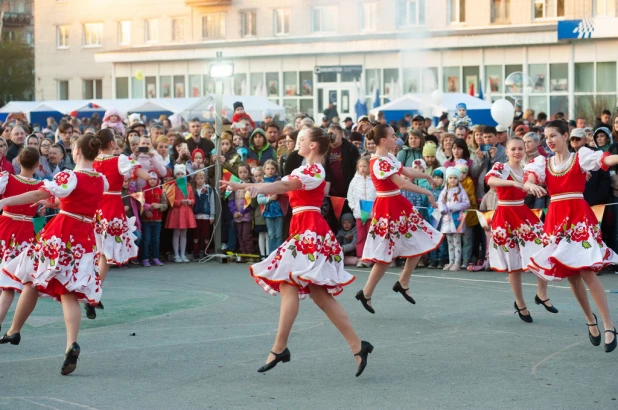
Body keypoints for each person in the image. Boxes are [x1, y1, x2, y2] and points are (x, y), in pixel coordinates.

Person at [221, 127, 373, 377]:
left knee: (291, 285)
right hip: (304, 230)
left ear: (313, 146)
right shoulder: (305, 168)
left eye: (301, 139)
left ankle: (281, 348)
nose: (296, 142)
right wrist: (249, 185)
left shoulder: (314, 169)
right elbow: (285, 184)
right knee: (313, 294)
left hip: (310, 232)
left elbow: (284, 184)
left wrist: (248, 185)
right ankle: (357, 346)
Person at [0, 134, 107, 375]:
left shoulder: (69, 176)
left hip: (61, 233)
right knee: (68, 292)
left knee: (31, 279)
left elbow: (38, 193)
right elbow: (80, 201)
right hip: (84, 237)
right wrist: (58, 203)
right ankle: (71, 344)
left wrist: (5, 200)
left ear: (76, 152)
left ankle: (14, 330)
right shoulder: (101, 180)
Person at [525, 120, 618, 352]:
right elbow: (529, 179)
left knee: (586, 270)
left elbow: (605, 160)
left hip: (578, 215)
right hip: (556, 219)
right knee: (571, 275)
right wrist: (530, 186)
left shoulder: (581, 156)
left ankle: (608, 324)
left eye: (554, 135)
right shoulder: (542, 163)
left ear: (565, 136)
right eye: (546, 137)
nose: (550, 140)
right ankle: (590, 319)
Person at [356, 124, 442, 314]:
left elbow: (407, 172)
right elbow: (401, 182)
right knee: (385, 255)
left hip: (398, 204)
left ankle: (402, 282)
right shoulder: (378, 162)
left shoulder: (389, 157)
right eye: (392, 136)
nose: (395, 139)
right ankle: (367, 292)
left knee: (421, 240)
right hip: (387, 207)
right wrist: (427, 191)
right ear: (383, 140)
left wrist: (426, 175)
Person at [485, 137, 557, 323]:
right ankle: (520, 303)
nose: (517, 152)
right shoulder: (502, 167)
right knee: (513, 264)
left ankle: (541, 294)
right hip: (505, 215)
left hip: (523, 214)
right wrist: (514, 183)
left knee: (544, 249)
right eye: (513, 149)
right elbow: (491, 181)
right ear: (507, 151)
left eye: (520, 148)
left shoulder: (527, 170)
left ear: (525, 150)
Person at [88, 129, 150, 319]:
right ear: (112, 143)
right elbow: (140, 172)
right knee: (105, 255)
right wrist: (151, 177)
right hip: (112, 207)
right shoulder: (119, 160)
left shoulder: (93, 161)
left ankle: (91, 291)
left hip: (95, 208)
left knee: (97, 252)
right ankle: (93, 293)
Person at [0, 148, 44, 332]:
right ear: (37, 165)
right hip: (24, 233)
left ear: (18, 160)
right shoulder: (42, 186)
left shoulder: (6, 178)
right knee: (8, 285)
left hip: (5, 226)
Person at [438, 167, 470, 271]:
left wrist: (455, 207)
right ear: (447, 179)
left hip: (457, 220)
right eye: (450, 177)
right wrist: (443, 209)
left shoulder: (461, 191)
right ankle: (451, 261)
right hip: (447, 220)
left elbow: (466, 203)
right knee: (449, 242)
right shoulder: (445, 191)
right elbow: (440, 201)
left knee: (457, 242)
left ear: (458, 179)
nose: (452, 180)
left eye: (455, 178)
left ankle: (457, 262)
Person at [346, 157, 376, 268]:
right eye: (360, 166)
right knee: (361, 236)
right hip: (359, 214)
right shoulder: (354, 181)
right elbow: (350, 195)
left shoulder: (374, 179)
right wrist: (353, 207)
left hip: (373, 213)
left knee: (372, 236)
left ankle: (372, 258)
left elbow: (378, 194)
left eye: (365, 166)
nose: (362, 169)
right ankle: (361, 257)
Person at [166, 164, 197, 263]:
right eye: (178, 174)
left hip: (186, 211)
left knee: (184, 233)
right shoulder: (173, 186)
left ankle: (183, 254)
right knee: (176, 233)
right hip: (176, 212)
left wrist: (190, 202)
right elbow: (170, 200)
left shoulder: (188, 186)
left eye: (182, 174)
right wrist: (179, 202)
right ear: (175, 176)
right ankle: (176, 255)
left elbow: (193, 199)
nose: (180, 176)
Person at [141, 171, 168, 267]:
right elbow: (139, 205)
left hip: (157, 220)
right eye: (150, 179)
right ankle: (145, 258)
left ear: (157, 180)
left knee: (156, 239)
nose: (152, 181)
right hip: (146, 220)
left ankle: (155, 257)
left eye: (154, 179)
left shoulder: (161, 191)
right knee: (146, 239)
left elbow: (165, 205)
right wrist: (145, 211)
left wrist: (158, 206)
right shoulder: (142, 191)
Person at [258, 160, 284, 255]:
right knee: (271, 235)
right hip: (268, 212)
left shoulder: (280, 181)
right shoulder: (262, 182)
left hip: (279, 211)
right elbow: (259, 199)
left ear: (276, 169)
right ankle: (271, 256)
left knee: (279, 235)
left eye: (272, 168)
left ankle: (279, 255)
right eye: (268, 168)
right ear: (264, 170)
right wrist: (270, 198)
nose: (270, 171)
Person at [229, 163, 255, 257]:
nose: (242, 174)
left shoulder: (250, 185)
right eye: (240, 172)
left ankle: (250, 253)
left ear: (248, 173)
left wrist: (242, 212)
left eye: (245, 172)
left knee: (246, 235)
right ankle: (243, 253)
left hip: (246, 215)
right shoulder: (235, 185)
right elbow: (231, 200)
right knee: (239, 234)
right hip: (237, 215)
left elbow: (251, 203)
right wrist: (234, 212)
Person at [191, 170, 214, 260]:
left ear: (205, 179)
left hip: (206, 216)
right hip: (196, 216)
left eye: (202, 178)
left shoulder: (209, 190)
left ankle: (206, 251)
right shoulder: (193, 190)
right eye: (198, 178)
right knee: (196, 235)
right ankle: (196, 251)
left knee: (206, 235)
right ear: (195, 180)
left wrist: (212, 215)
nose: (200, 180)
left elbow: (211, 203)